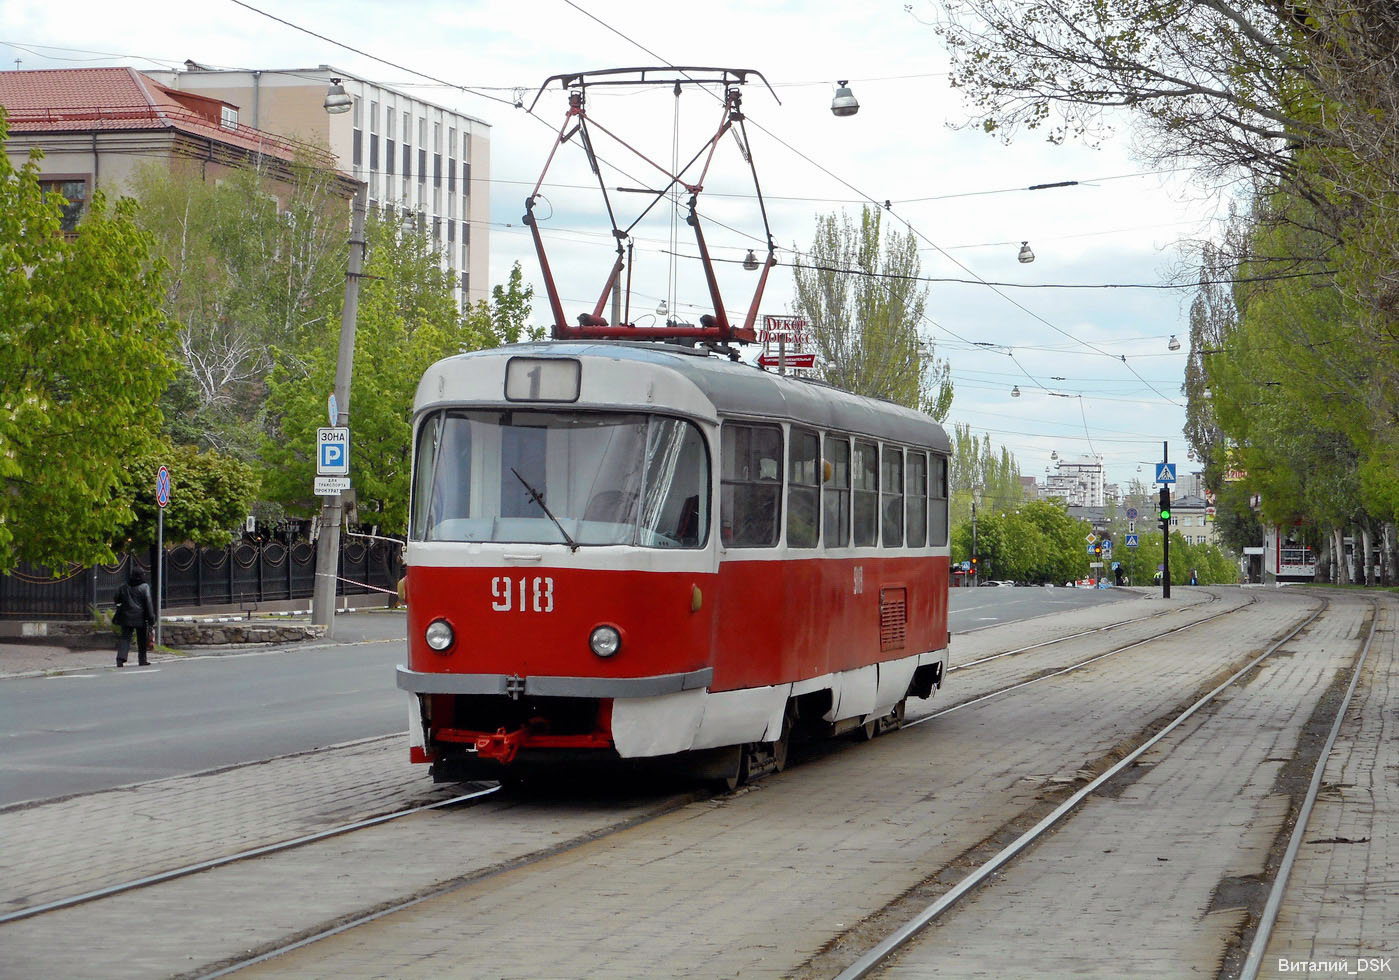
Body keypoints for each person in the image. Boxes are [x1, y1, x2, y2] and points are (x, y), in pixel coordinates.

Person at [113, 567, 156, 667]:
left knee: (125, 638)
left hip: (126, 616)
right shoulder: (144, 587)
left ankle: (121, 658)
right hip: (141, 617)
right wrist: (151, 618)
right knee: (142, 639)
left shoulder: (124, 586)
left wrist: (123, 605)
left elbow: (116, 598)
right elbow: (148, 603)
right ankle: (142, 660)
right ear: (141, 576)